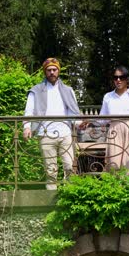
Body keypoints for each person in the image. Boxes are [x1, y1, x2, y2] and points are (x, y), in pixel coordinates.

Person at [23, 58, 80, 190]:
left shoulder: (68, 90)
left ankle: (70, 197)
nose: (52, 72)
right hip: (45, 134)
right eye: (49, 70)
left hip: (65, 133)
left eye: (54, 69)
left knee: (70, 167)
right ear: (45, 72)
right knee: (51, 170)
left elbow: (72, 111)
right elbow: (29, 110)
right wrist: (26, 127)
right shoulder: (35, 90)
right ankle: (51, 202)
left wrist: (79, 123)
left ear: (58, 71)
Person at [99, 66, 129, 171]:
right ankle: (114, 187)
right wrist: (88, 121)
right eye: (115, 77)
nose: (118, 80)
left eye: (121, 77)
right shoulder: (108, 96)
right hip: (114, 131)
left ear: (127, 79)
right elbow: (102, 118)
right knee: (113, 163)